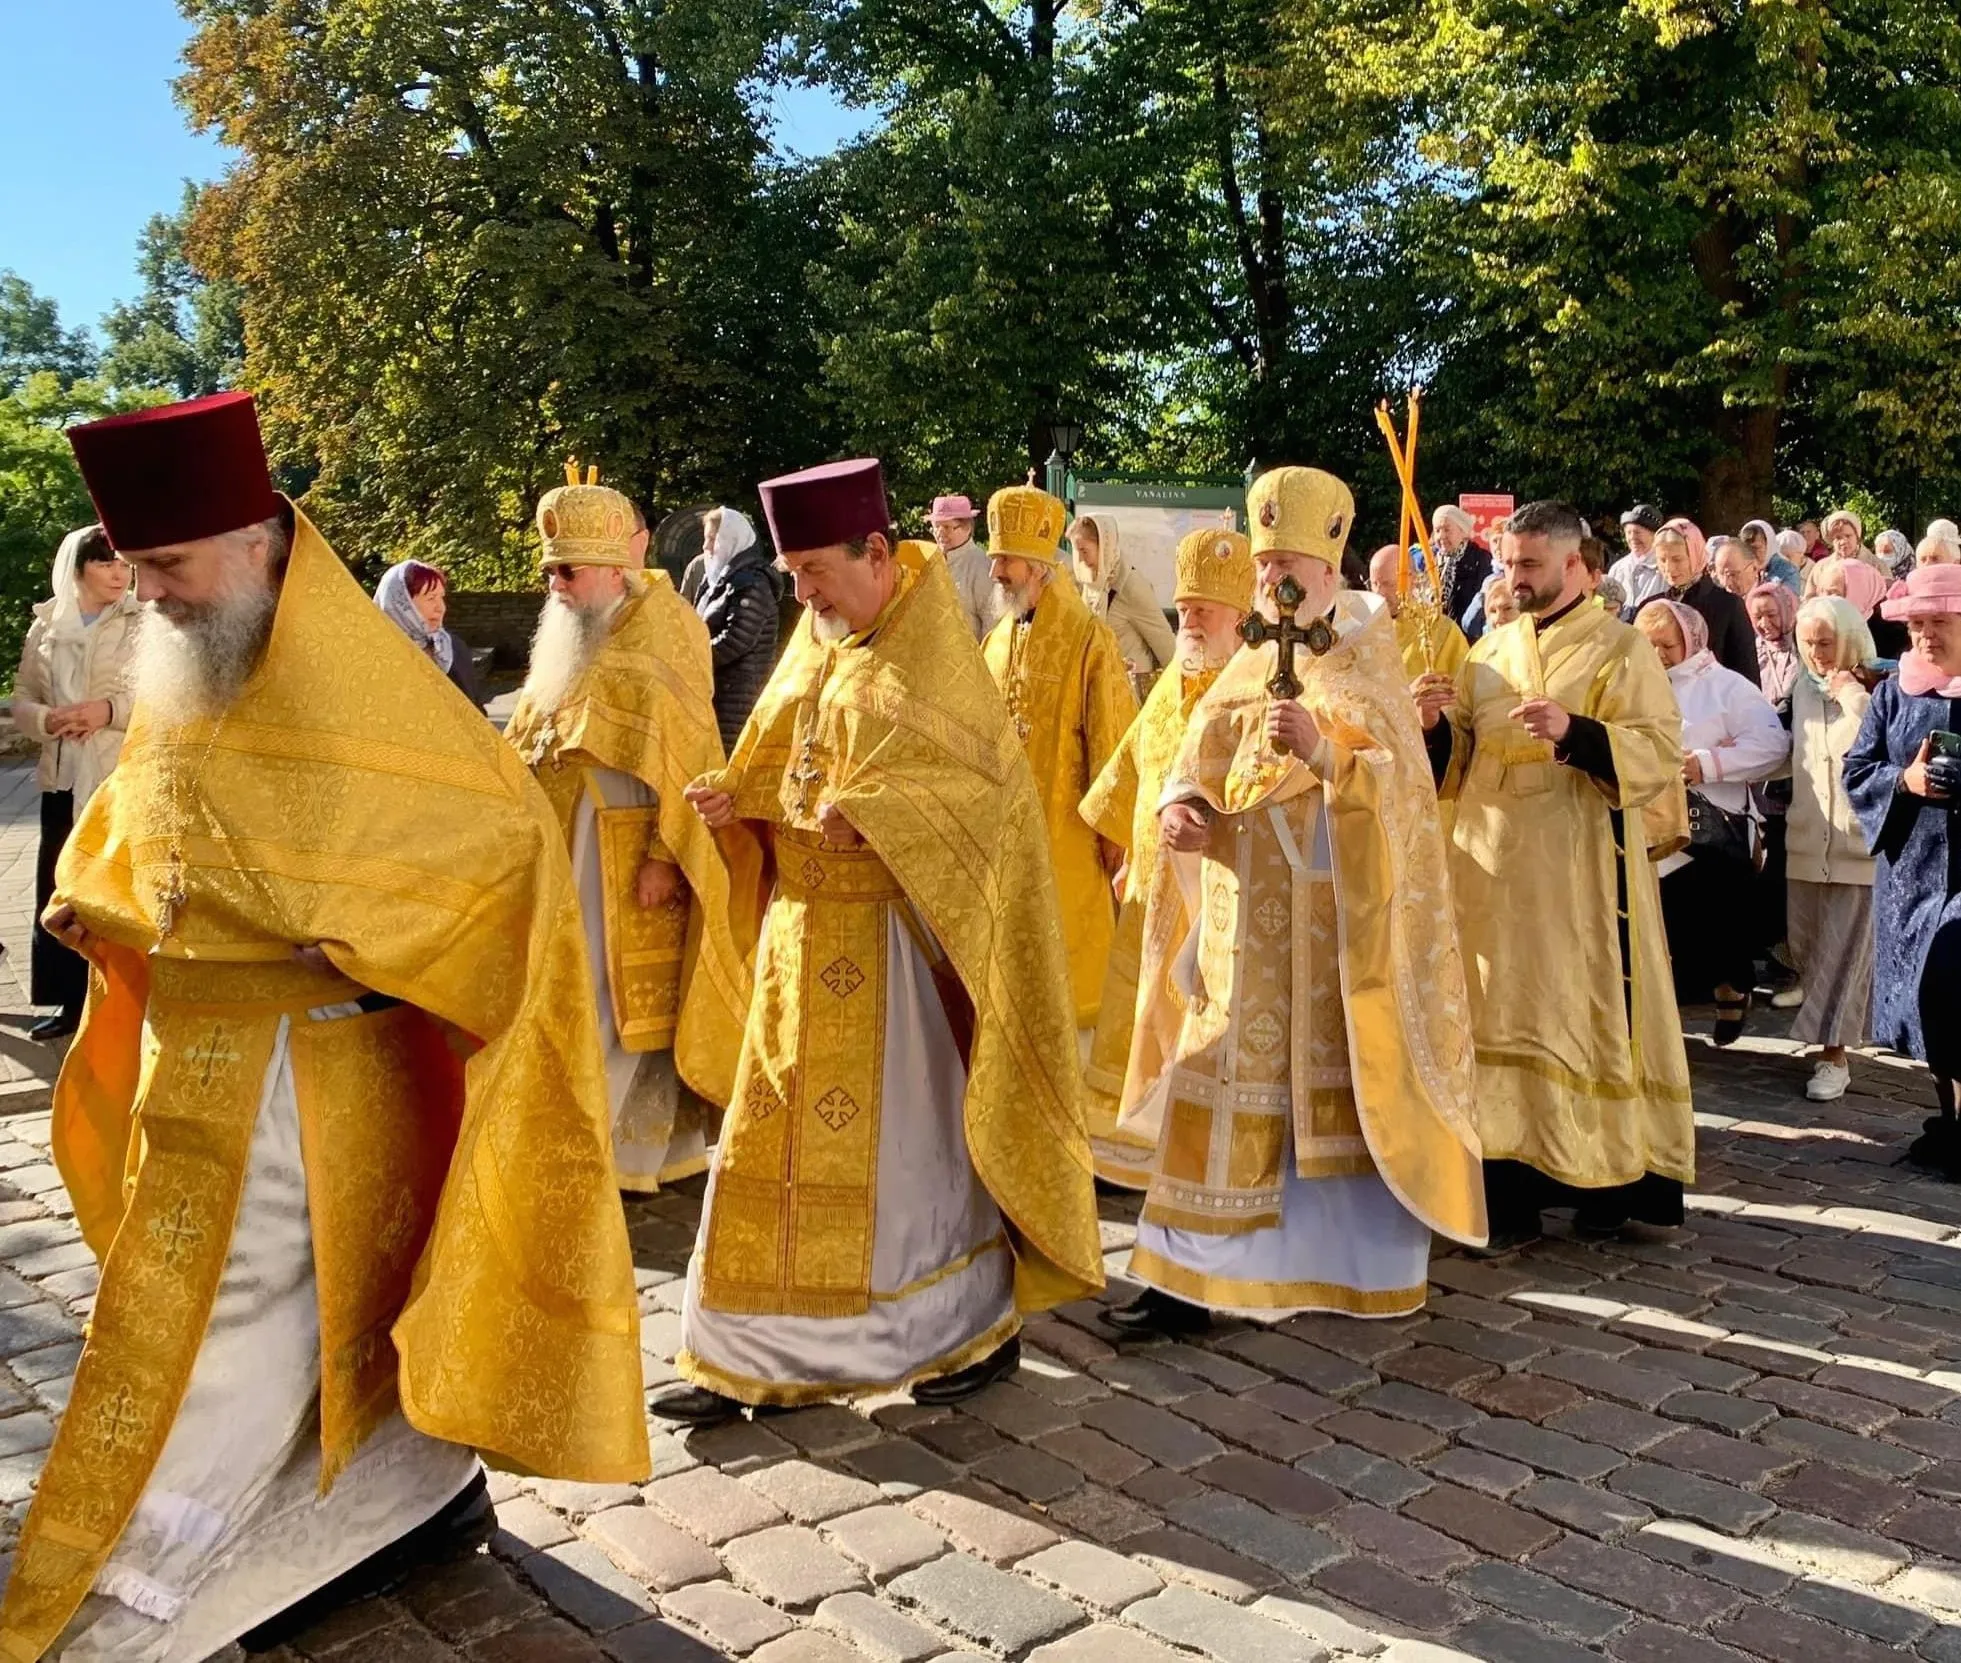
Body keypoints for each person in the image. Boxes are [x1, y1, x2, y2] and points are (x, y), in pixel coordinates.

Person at [0, 393, 648, 1663]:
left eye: (170, 571)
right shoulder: (196, 657)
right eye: (137, 573)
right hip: (195, 1064)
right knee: (237, 1311)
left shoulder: (361, 678)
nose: (153, 600)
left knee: (214, 1322)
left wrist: (366, 930)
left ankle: (133, 1580)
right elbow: (147, 816)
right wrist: (105, 906)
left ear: (256, 542)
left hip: (313, 1082)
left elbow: (497, 843)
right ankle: (382, 1497)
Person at [658, 458, 1103, 1421]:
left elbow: (987, 796)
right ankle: (748, 1351)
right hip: (796, 944)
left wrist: (880, 815)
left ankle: (958, 1330)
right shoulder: (821, 637)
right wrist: (735, 799)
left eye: (815, 569)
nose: (803, 593)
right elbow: (782, 751)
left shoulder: (934, 646)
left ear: (873, 551)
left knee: (910, 1164)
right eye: (791, 574)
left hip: (897, 962)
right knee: (763, 1145)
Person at [1110, 465, 1485, 1334]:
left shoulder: (1367, 656)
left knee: (1338, 1095)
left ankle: (1343, 1265)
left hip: (1333, 934)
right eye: (1261, 566)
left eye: (1286, 569)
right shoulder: (1244, 662)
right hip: (1241, 927)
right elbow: (1196, 761)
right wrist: (1182, 812)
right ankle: (1186, 1281)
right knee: (1215, 1076)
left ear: (1328, 569)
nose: (1270, 586)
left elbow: (1402, 802)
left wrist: (1328, 754)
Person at [1419, 499, 1692, 1250]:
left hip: (1576, 872)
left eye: (1529, 564)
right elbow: (1455, 768)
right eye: (1507, 563)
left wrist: (1576, 732)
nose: (1513, 577)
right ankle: (1502, 1192)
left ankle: (1599, 1183)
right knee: (1494, 1020)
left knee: (1578, 1015)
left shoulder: (1619, 649)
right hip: (1491, 873)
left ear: (1576, 565)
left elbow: (1658, 749)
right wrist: (1434, 727)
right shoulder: (1485, 653)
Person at [506, 463, 750, 1192]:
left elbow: (688, 749)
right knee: (564, 990)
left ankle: (608, 1148)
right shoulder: (569, 632)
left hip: (622, 850)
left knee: (613, 999)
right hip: (563, 841)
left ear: (613, 568)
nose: (555, 583)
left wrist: (663, 857)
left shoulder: (666, 626)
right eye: (550, 569)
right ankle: (575, 1133)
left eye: (568, 570)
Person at [1079, 529, 1254, 1188]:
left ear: (1240, 617)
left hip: (1211, 892)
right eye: (1185, 608)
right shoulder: (1164, 688)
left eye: (1206, 610)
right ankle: (1121, 1149)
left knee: (1189, 1026)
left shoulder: (1251, 690)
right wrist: (1115, 850)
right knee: (1134, 1016)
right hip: (1148, 888)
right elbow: (1126, 773)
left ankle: (1179, 1152)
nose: (1192, 621)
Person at [983, 485, 1138, 1039]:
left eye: (1006, 558)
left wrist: (1114, 843)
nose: (995, 569)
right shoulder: (997, 638)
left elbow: (1113, 740)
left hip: (1068, 835)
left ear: (1040, 565)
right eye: (995, 556)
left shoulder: (1087, 637)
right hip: (1004, 835)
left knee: (1068, 989)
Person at [1846, 563, 1961, 1174]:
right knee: (1927, 1006)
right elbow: (1858, 770)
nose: (1925, 636)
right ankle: (1948, 1121)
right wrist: (1907, 780)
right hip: (1911, 877)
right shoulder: (1894, 693)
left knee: (1955, 987)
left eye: (1939, 622)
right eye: (1917, 623)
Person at [1636, 599, 1789, 1042]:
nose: (1660, 654)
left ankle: (1730, 990)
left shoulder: (1726, 686)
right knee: (1666, 925)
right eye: (1650, 645)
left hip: (1712, 827)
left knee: (1719, 922)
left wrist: (1708, 763)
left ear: (1692, 640)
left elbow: (1772, 746)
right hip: (1652, 822)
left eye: (1668, 644)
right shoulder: (1634, 683)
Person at [12, 525, 139, 1042]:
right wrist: (47, 719)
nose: (120, 573)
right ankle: (69, 1002)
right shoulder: (46, 627)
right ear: (77, 567)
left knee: (117, 886)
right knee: (61, 888)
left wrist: (106, 711)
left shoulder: (142, 619)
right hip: (62, 776)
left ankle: (127, 998)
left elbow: (159, 693)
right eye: (106, 562)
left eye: (124, 563)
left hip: (117, 775)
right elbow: (22, 695)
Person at [1785, 596, 1881, 1102]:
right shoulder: (1801, 687)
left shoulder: (1877, 685)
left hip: (1857, 846)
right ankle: (1834, 1035)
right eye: (1808, 643)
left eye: (1827, 642)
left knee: (1842, 956)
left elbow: (1889, 743)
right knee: (1807, 948)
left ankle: (1833, 1054)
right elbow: (1787, 753)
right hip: (1805, 841)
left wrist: (1851, 695)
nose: (1819, 654)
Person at [688, 505, 780, 751]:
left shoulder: (752, 583)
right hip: (715, 694)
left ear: (730, 539)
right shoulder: (716, 583)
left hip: (738, 700)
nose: (705, 547)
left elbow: (737, 640)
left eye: (711, 539)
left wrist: (690, 660)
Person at [1071, 512, 1176, 693]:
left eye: (1084, 551)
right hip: (1099, 690)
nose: (1080, 559)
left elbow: (1166, 646)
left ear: (1104, 547)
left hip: (1129, 694)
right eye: (1076, 551)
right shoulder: (1092, 581)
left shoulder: (1132, 586)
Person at [1650, 518, 1760, 684]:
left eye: (1677, 559)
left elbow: (1746, 672)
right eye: (1662, 560)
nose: (1669, 568)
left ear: (1695, 554)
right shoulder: (1653, 606)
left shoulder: (1727, 605)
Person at [374, 559, 487, 710]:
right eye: (431, 598)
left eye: (441, 597)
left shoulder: (453, 648)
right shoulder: (373, 657)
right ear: (401, 604)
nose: (441, 608)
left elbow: (477, 715)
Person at [1369, 542, 1470, 679]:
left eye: (1388, 584)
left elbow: (1464, 687)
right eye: (1375, 584)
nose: (1379, 593)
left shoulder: (1443, 630)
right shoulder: (1366, 633)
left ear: (1413, 579)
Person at [927, 492, 999, 638]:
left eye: (947, 527)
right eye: (936, 527)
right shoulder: (929, 562)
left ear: (967, 528)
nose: (940, 534)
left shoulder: (982, 566)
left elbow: (993, 624)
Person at [1417, 504, 1494, 638]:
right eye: (1437, 530)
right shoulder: (1432, 561)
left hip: (1467, 638)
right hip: (1437, 637)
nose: (1441, 536)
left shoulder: (1480, 559)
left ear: (1463, 531)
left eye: (1447, 530)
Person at [1810, 554, 1905, 662]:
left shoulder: (1892, 638)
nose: (1824, 599)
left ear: (1859, 593)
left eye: (1833, 593)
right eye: (1822, 591)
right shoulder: (1818, 627)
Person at [1607, 503, 1669, 612]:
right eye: (1628, 532)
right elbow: (1603, 604)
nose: (1632, 538)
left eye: (1637, 532)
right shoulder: (1617, 568)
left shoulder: (1666, 568)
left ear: (1654, 534)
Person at [1741, 519, 1803, 593]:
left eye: (1756, 548)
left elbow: (1789, 601)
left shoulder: (1788, 571)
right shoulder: (1740, 571)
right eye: (1746, 549)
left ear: (1769, 545)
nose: (1751, 553)